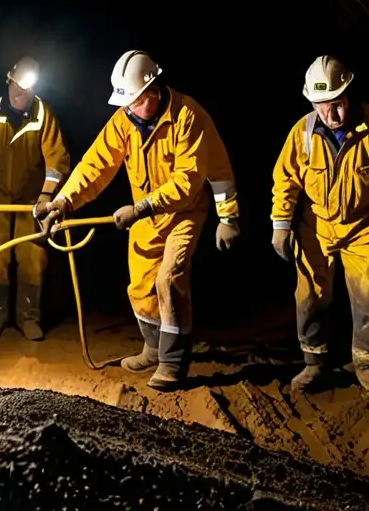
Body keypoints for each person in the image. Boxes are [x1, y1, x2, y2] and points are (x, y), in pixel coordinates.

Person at [36, 50, 240, 391]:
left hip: (183, 211)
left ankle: (173, 361)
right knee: (141, 286)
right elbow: (95, 166)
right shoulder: (124, 121)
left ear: (152, 93)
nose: (128, 109)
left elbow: (189, 182)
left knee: (168, 280)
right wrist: (63, 202)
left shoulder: (188, 117)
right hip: (146, 213)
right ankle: (152, 348)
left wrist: (227, 217)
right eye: (126, 103)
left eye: (134, 101)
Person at [270, 55, 369, 403]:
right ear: (312, 102)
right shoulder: (303, 133)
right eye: (322, 105)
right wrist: (281, 223)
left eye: (337, 103)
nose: (331, 113)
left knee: (367, 297)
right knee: (310, 295)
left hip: (363, 227)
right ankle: (314, 361)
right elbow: (285, 181)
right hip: (316, 227)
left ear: (349, 95)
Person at [0, 56, 70, 341]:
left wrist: (46, 194)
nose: (21, 96)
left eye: (27, 91)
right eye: (17, 89)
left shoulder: (44, 116)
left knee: (32, 255)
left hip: (31, 198)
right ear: (8, 81)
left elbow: (57, 160)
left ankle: (28, 317)